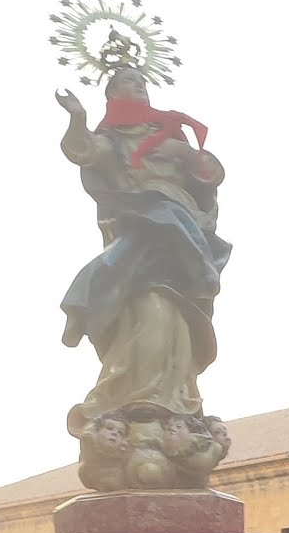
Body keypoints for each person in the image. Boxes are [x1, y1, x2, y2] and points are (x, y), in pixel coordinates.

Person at [55, 68, 230, 427]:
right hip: (142, 213)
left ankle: (175, 393)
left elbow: (210, 175)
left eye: (141, 82)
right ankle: (133, 389)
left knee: (178, 315)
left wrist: (183, 152)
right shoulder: (114, 140)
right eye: (127, 83)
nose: (137, 87)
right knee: (151, 303)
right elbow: (82, 150)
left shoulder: (169, 135)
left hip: (186, 223)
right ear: (113, 96)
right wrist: (78, 117)